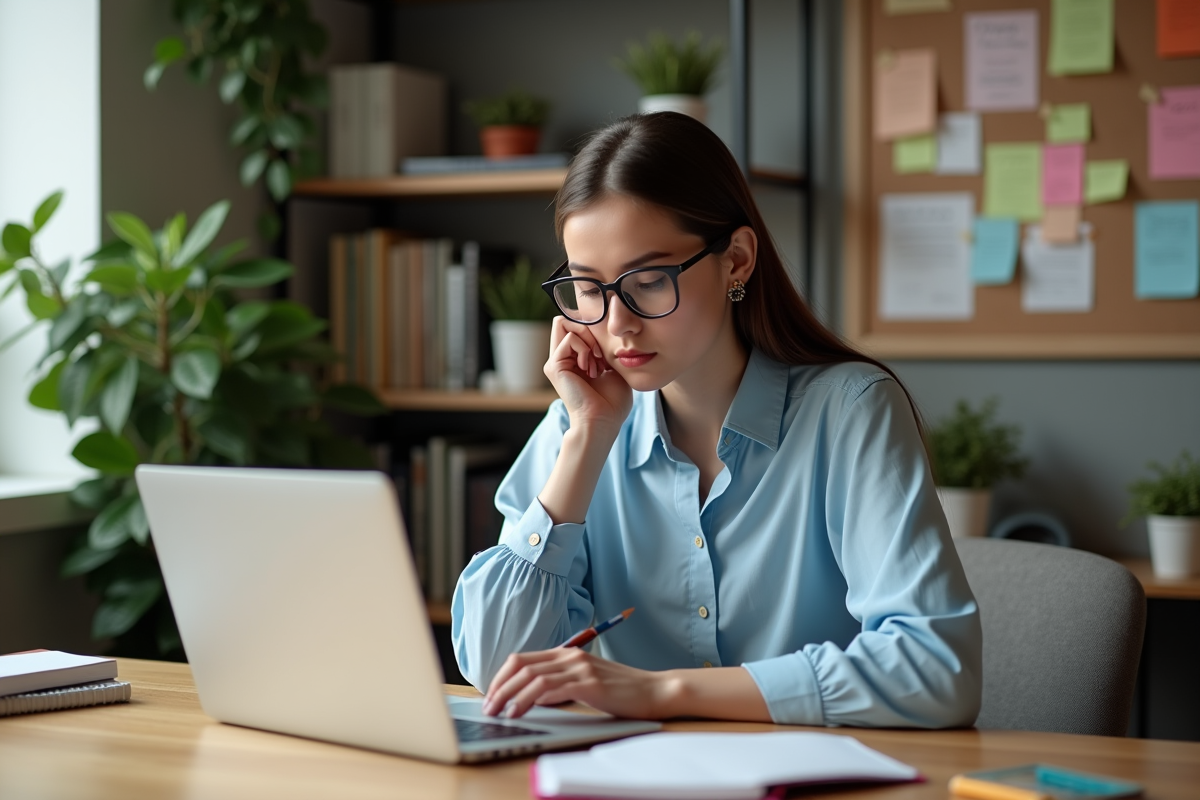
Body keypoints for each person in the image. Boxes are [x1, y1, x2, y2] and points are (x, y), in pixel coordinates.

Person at [451, 112, 982, 728]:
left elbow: (937, 668)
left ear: (736, 260)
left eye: (649, 281)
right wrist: (587, 440)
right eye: (589, 289)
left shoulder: (850, 410)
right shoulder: (575, 426)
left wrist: (661, 692)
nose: (617, 323)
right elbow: (494, 666)